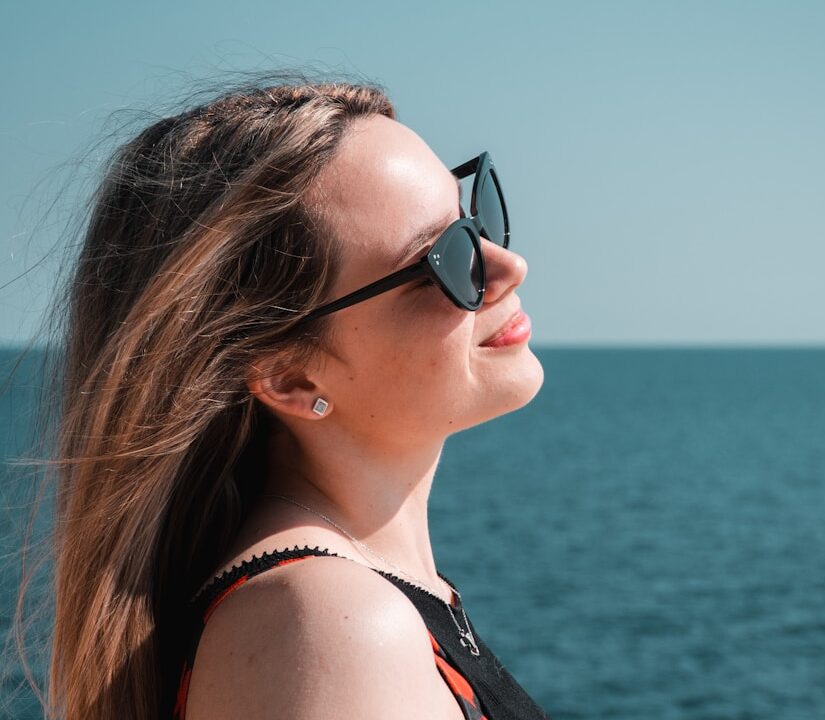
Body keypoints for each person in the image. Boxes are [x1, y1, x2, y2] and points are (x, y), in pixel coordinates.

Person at [34, 77, 549, 720]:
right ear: (289, 379)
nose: (507, 267)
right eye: (443, 260)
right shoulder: (332, 624)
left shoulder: (348, 602)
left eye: (475, 221)